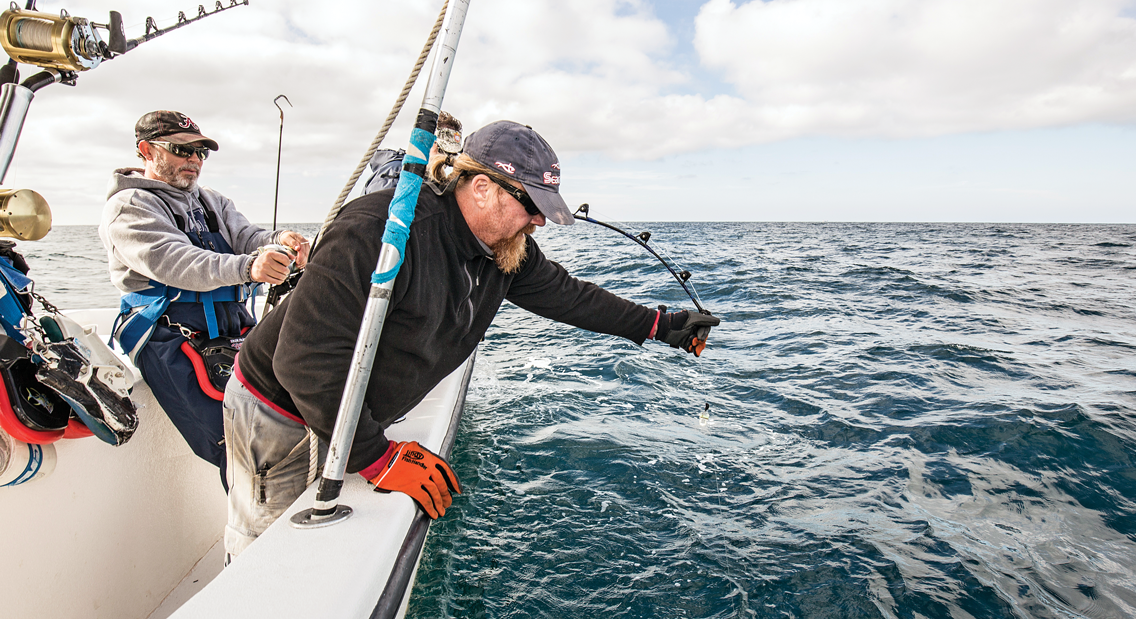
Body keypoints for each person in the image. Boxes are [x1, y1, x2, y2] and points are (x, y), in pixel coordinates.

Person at [223, 120, 719, 557]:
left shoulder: (503, 247)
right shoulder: (380, 229)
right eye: (530, 204)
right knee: (266, 552)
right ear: (482, 187)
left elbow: (571, 297)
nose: (540, 221)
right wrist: (375, 457)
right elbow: (305, 360)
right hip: (281, 413)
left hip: (348, 414)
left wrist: (661, 326)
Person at [98, 110, 311, 486]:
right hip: (171, 339)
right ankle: (251, 535)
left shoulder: (213, 201)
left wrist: (280, 242)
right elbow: (174, 262)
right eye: (182, 150)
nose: (194, 160)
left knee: (286, 416)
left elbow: (248, 237)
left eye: (201, 152)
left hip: (231, 328)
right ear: (146, 150)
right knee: (234, 445)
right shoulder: (129, 206)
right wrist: (249, 268)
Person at [362, 110, 463, 194]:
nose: (445, 159)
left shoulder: (434, 183)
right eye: (441, 150)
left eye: (451, 154)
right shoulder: (394, 173)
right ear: (423, 142)